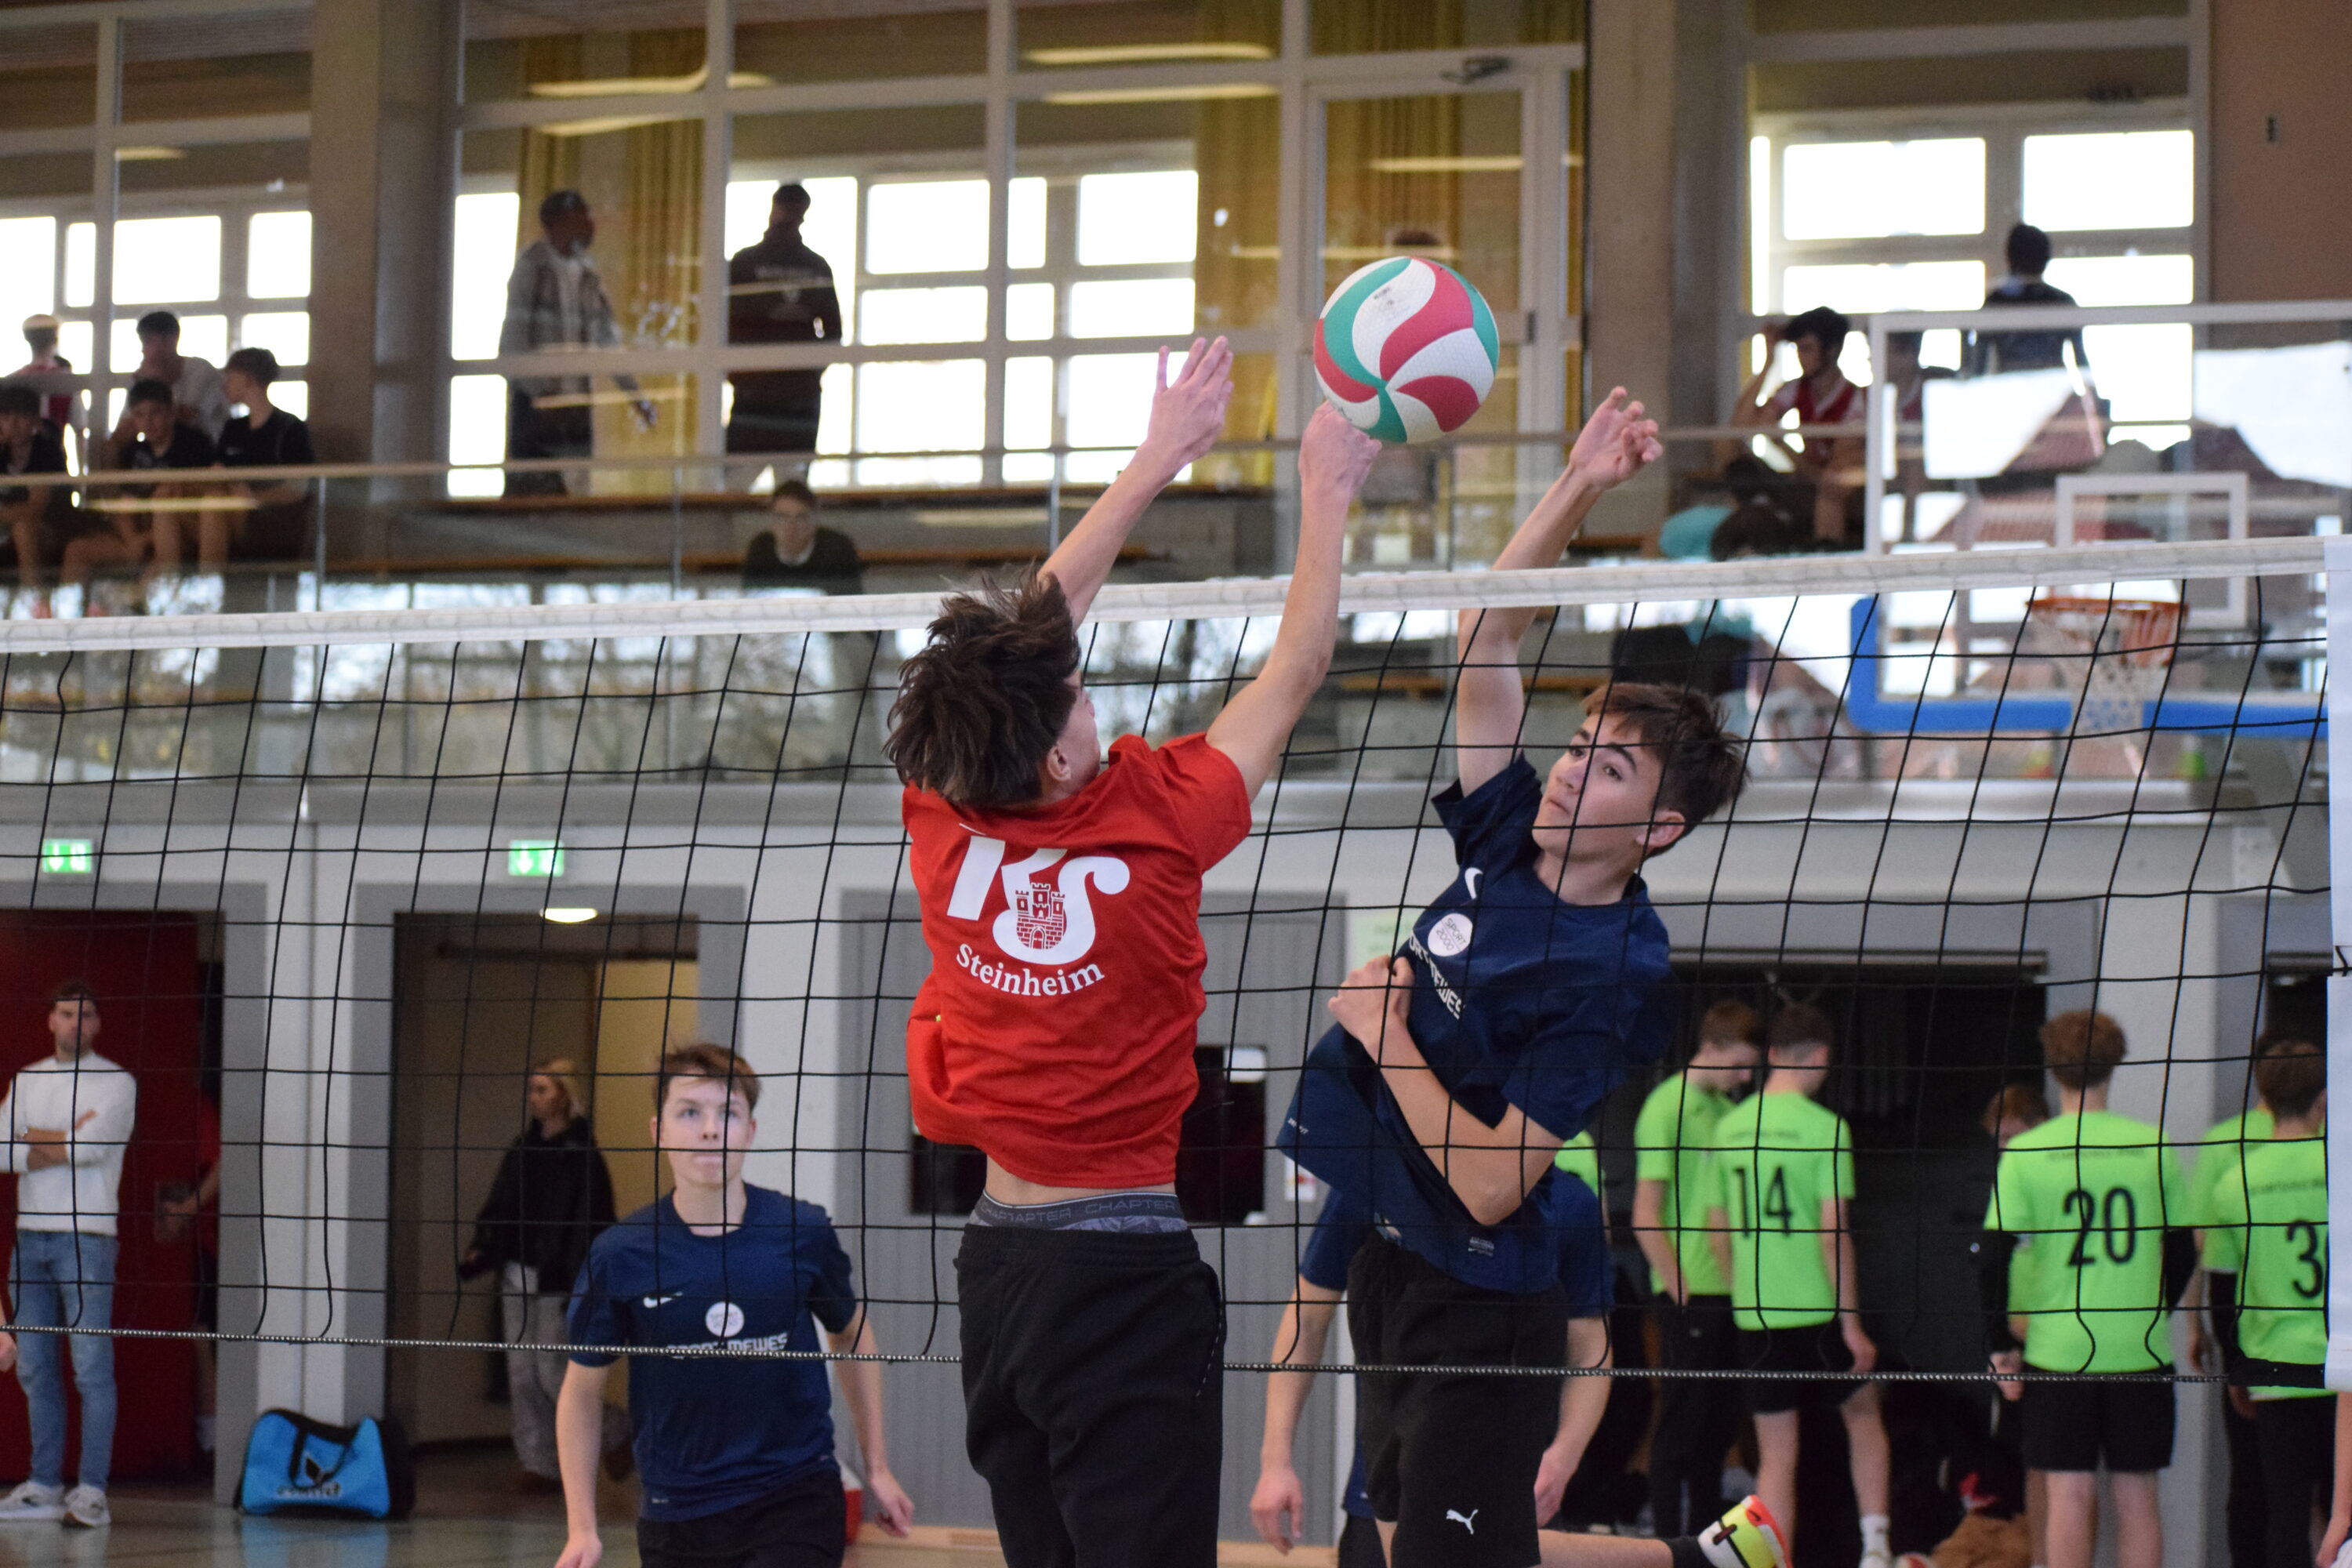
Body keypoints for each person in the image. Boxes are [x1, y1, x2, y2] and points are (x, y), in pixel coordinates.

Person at [887, 335, 1377, 1568]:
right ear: (1059, 755)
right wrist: (1326, 494)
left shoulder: (942, 814)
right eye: (1077, 693)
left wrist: (1158, 456)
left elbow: (1027, 640)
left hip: (998, 1270)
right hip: (1121, 1281)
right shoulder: (1158, 825)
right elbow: (1298, 669)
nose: (1084, 682)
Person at [1279, 394, 1764, 1568]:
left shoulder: (1614, 975)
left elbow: (1498, 1183)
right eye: (1577, 749)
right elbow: (1483, 635)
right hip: (1393, 1256)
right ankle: (1699, 1559)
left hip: (1485, 1297)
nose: (1566, 775)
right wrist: (1581, 480)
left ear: (1658, 829)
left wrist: (1388, 1035)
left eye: (1608, 771)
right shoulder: (1508, 837)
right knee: (1387, 1549)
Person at [556, 1044, 913, 1568]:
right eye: (689, 1112)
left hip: (795, 1493)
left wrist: (876, 1465)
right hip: (677, 1509)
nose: (710, 1130)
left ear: (750, 1130)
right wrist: (582, 1528)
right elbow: (582, 1393)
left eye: (728, 1113)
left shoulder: (803, 1230)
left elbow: (851, 1334)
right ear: (658, 1131)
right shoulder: (620, 1254)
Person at [1251, 1150, 1613, 1568]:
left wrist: (1562, 1459)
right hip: (1384, 1493)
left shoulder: (1566, 1202)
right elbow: (1307, 1319)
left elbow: (1591, 1350)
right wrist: (1275, 1462)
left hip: (1509, 1485)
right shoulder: (1375, 1177)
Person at [1980, 1010, 2193, 1568]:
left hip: (2058, 1350)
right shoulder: (2152, 1146)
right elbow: (2183, 1250)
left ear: (2052, 1069)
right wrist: (2152, 1311)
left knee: (2068, 1494)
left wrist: (2000, 1344)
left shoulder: (2026, 1152)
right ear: (2114, 1065)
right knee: (2137, 1496)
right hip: (2138, 1348)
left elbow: (1995, 1257)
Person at [1704, 1002, 1891, 1568]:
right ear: (1821, 1057)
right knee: (1864, 1417)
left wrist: (1744, 1290)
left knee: (1776, 1454)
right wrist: (1852, 1325)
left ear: (1770, 1054)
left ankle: (1772, 1563)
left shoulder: (1728, 1128)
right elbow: (1833, 1233)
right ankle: (1876, 1548)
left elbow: (1714, 1230)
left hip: (1757, 1316)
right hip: (1819, 1312)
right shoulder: (1825, 1128)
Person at [0, 980, 138, 1529]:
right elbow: (1, 1149)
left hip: (88, 1238)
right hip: (29, 1237)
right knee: (34, 1366)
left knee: (90, 1366)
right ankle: (44, 1485)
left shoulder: (117, 1082)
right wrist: (62, 1139)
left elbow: (95, 1147)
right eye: (65, 1014)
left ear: (97, 1024)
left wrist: (31, 1138)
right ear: (50, 1020)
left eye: (85, 1015)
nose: (75, 1024)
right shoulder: (28, 1079)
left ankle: (92, 1491)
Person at [461, 1058, 626, 1494]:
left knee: (553, 1371)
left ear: (564, 1095)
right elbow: (500, 1204)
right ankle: (539, 1463)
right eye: (531, 1089)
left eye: (543, 1089)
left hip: (560, 1280)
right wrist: (484, 1244)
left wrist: (582, 1279)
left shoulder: (584, 1157)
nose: (534, 1098)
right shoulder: (522, 1150)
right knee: (521, 1375)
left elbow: (594, 1223)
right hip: (517, 1274)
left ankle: (616, 1430)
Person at [1635, 1001, 1762, 1538]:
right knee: (1678, 1431)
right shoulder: (1666, 1107)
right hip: (1689, 1296)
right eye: (1739, 1064)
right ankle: (1667, 1544)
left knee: (1718, 1433)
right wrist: (1679, 1287)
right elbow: (1645, 1215)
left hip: (1731, 1292)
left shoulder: (1728, 1112)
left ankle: (1707, 1546)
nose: (1745, 1077)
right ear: (1710, 1047)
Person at [2200, 1039, 2328, 1568]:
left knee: (2285, 1515)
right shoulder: (2344, 1170)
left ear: (2264, 1099)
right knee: (2343, 1511)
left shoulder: (2236, 1182)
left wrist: (2237, 1370)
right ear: (2324, 1098)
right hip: (2344, 1365)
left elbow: (2222, 1294)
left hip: (2274, 1370)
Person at [501, 189, 656, 498]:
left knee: (578, 489)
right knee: (533, 491)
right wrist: (540, 394)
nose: (590, 225)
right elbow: (514, 341)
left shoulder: (588, 274)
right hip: (538, 406)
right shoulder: (532, 267)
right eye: (581, 217)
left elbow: (607, 342)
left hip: (575, 406)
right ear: (557, 222)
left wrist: (636, 396)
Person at [2189, 1036, 2278, 1568]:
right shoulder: (2330, 1140)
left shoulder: (2225, 1142)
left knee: (2250, 1474)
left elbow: (2202, 1242)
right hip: (2322, 1338)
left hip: (2244, 1334)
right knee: (2324, 1479)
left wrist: (2195, 1324)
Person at [727, 183, 841, 469]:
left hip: (798, 398)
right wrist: (739, 375)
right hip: (754, 397)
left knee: (792, 483)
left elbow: (833, 332)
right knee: (736, 483)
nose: (789, 216)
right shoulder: (745, 264)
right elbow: (724, 325)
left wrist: (808, 372)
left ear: (804, 214)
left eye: (795, 210)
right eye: (786, 208)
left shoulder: (816, 266)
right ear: (774, 208)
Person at [1725, 307, 1862, 544]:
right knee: (1732, 456)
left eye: (1807, 349)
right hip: (1805, 485)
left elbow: (1829, 477)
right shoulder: (1795, 389)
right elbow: (1740, 426)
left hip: (1844, 497)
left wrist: (1780, 443)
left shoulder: (1857, 400)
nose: (1800, 357)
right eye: (1797, 349)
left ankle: (1826, 552)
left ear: (1831, 349)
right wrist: (1768, 364)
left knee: (1830, 486)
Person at [68, 377, 215, 593]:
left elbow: (195, 505)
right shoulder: (134, 450)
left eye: (156, 413)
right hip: (137, 534)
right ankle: (66, 611)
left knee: (154, 569)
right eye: (139, 415)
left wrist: (146, 539)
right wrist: (133, 541)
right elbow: (120, 501)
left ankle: (142, 603)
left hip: (178, 536)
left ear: (171, 412)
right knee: (77, 550)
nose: (148, 421)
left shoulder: (194, 445)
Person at [215, 346, 316, 563]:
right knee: (206, 506)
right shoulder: (233, 428)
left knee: (212, 508)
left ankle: (209, 578)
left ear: (247, 380)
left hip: (270, 520)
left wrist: (252, 498)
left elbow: (298, 489)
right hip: (227, 511)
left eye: (230, 378)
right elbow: (216, 472)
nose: (225, 385)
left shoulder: (290, 428)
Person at [1965, 224, 2089, 379]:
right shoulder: (2062, 302)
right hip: (2050, 386)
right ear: (2046, 259)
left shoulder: (1996, 303)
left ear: (2009, 257)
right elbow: (2082, 362)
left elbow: (1978, 367)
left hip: (2014, 386)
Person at [0, 383, 71, 590]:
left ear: (34, 420)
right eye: (6, 417)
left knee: (24, 529)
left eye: (21, 417)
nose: (13, 424)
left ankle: (32, 596)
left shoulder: (47, 451)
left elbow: (35, 509)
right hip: (5, 528)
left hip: (51, 529)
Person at [125, 310, 230, 440]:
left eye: (147, 341)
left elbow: (186, 421)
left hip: (207, 448)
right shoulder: (143, 376)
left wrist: (156, 382)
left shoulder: (201, 370)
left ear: (171, 340)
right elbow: (127, 426)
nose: (143, 350)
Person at [743, 479, 861, 593]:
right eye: (782, 517)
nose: (791, 526)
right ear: (771, 521)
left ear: (815, 521)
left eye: (801, 517)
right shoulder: (760, 549)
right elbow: (750, 598)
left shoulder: (838, 550)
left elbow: (853, 601)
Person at [12, 316, 74, 435]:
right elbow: (80, 427)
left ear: (27, 338)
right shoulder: (68, 380)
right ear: (55, 338)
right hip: (56, 446)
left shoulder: (14, 380)